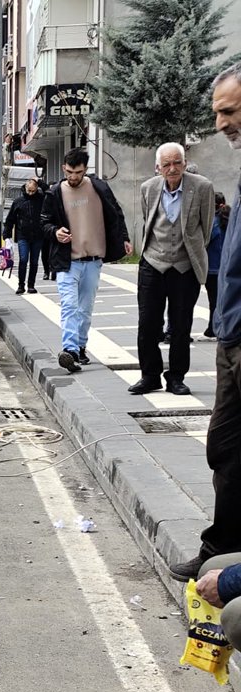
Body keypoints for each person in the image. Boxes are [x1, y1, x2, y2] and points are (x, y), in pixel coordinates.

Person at [170, 63, 241, 579]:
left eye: (229, 111)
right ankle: (221, 552)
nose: (221, 124)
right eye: (218, 112)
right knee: (225, 446)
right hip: (232, 335)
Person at [129, 143, 215, 396]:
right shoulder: (148, 188)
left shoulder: (202, 187)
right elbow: (149, 221)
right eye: (166, 164)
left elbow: (205, 229)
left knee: (180, 326)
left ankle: (176, 377)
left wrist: (191, 254)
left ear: (185, 163)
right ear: (158, 168)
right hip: (153, 262)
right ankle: (150, 376)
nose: (172, 168)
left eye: (177, 162)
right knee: (147, 324)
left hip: (184, 266)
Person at [41, 147, 132, 374]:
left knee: (85, 308)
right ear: (64, 168)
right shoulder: (54, 193)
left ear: (85, 170)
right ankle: (70, 350)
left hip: (93, 259)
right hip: (66, 260)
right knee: (69, 306)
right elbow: (44, 223)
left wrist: (124, 239)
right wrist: (55, 232)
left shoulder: (99, 187)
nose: (73, 177)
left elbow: (116, 213)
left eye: (78, 172)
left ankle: (80, 347)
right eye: (70, 172)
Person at [4, 179, 45, 294]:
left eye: (33, 191)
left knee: (34, 261)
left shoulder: (41, 200)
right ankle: (21, 285)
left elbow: (49, 193)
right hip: (23, 236)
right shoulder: (18, 201)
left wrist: (40, 182)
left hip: (38, 235)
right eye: (29, 191)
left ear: (37, 189)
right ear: (25, 188)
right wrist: (6, 236)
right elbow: (10, 219)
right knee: (23, 260)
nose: (31, 193)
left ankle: (31, 285)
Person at [205, 193, 230, 340]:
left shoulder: (213, 222)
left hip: (212, 268)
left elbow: (205, 241)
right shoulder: (230, 221)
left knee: (213, 300)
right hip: (226, 267)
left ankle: (212, 328)